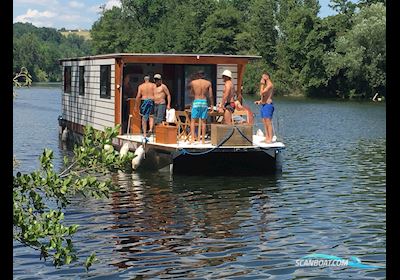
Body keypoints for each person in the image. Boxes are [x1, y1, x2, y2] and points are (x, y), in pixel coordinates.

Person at [189, 71, 214, 144]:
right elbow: (211, 95)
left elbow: (191, 94)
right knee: (203, 121)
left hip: (196, 101)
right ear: (204, 75)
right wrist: (212, 104)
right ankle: (203, 140)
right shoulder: (208, 83)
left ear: (197, 75)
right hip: (204, 102)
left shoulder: (193, 82)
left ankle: (193, 139)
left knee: (193, 121)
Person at [254, 72, 274, 143]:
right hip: (264, 105)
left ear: (267, 77)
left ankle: (270, 138)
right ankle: (267, 137)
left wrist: (262, 84)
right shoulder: (266, 85)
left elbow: (261, 93)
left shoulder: (269, 85)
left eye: (263, 77)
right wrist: (260, 101)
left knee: (268, 122)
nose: (262, 79)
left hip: (268, 105)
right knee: (264, 122)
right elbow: (264, 96)